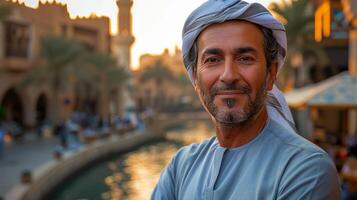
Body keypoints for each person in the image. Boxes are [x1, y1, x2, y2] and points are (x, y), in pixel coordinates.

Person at [151, 0, 341, 199]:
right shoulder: (180, 167)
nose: (228, 75)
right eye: (213, 60)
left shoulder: (304, 170)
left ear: (271, 73)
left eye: (245, 58)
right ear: (195, 78)